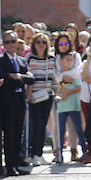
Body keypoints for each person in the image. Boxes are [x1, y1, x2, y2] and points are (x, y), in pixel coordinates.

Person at [0, 35, 30, 176]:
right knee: (9, 134)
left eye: (13, 41)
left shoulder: (21, 60)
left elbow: (30, 78)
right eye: (7, 42)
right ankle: (9, 166)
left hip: (20, 101)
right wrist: (17, 78)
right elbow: (3, 77)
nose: (11, 44)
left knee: (18, 134)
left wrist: (19, 77)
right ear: (4, 44)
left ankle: (16, 163)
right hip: (6, 102)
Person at [25, 33, 56, 166]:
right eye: (38, 42)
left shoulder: (51, 58)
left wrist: (57, 89)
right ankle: (33, 154)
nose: (41, 44)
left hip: (47, 95)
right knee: (36, 124)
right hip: (35, 95)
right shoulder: (30, 58)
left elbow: (54, 77)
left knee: (42, 125)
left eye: (44, 42)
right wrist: (29, 94)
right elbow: (28, 77)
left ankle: (39, 153)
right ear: (34, 44)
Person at [53, 49, 84, 165]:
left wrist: (67, 93)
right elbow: (58, 88)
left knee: (78, 129)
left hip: (74, 106)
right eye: (67, 60)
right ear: (60, 61)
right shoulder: (58, 75)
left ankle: (83, 152)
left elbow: (79, 86)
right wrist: (63, 86)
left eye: (71, 60)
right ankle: (59, 154)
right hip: (62, 107)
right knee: (60, 131)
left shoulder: (75, 74)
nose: (70, 62)